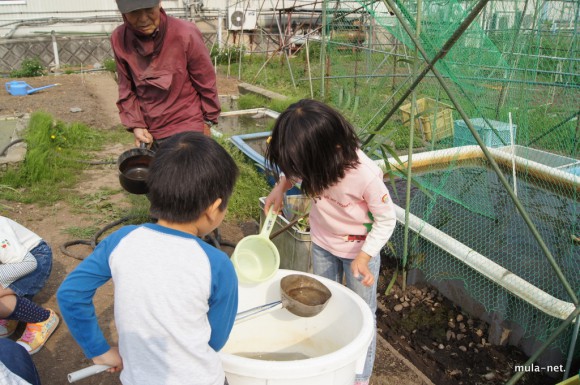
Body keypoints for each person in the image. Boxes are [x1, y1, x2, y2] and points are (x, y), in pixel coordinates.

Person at [57, 132, 240, 385]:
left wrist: (98, 350)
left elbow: (71, 293)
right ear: (212, 208)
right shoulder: (218, 264)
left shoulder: (121, 240)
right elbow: (216, 340)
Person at [263, 99, 397, 385]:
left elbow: (387, 219)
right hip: (323, 243)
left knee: (363, 315)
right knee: (324, 302)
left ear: (334, 148)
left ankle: (360, 376)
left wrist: (365, 255)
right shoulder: (311, 161)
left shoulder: (365, 175)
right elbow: (292, 173)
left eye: (304, 167)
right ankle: (327, 359)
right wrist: (279, 188)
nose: (302, 175)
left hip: (359, 253)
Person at [111, 0, 221, 148]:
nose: (143, 18)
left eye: (149, 9)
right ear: (123, 12)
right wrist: (137, 125)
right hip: (152, 130)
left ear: (159, 4)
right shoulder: (119, 38)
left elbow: (206, 81)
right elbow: (126, 88)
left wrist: (208, 121)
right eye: (134, 12)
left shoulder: (185, 32)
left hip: (188, 125)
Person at [0, 216, 59, 355]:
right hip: (11, 264)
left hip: (34, 260)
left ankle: (42, 319)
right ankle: (11, 315)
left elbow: (29, 263)